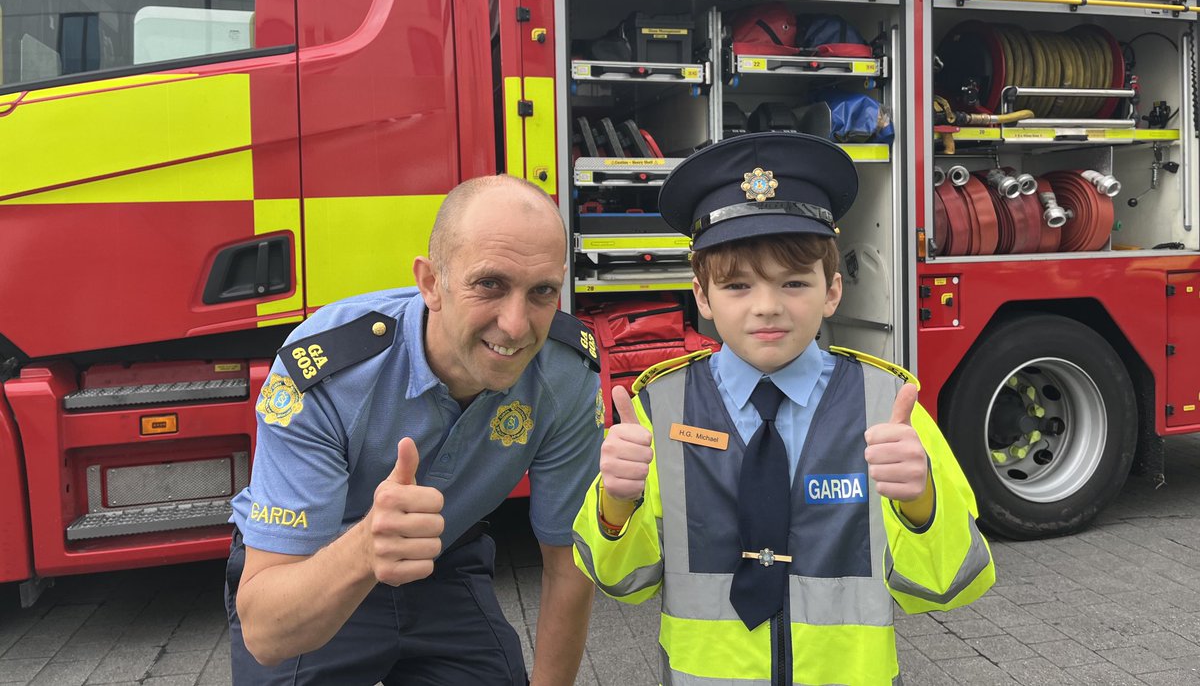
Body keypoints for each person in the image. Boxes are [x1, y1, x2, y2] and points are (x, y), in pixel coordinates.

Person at [572, 132, 996, 686]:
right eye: (737, 285)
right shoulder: (656, 408)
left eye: (794, 282)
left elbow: (951, 583)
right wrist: (615, 504)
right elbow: (621, 580)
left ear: (832, 291)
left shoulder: (887, 407)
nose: (767, 307)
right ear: (701, 296)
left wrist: (920, 503)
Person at [226, 175, 604, 685]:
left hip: (441, 562)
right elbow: (267, 634)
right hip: (316, 567)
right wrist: (366, 547)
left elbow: (569, 562)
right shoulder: (329, 370)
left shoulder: (565, 373)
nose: (517, 325)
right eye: (489, 284)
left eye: (541, 292)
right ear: (431, 283)